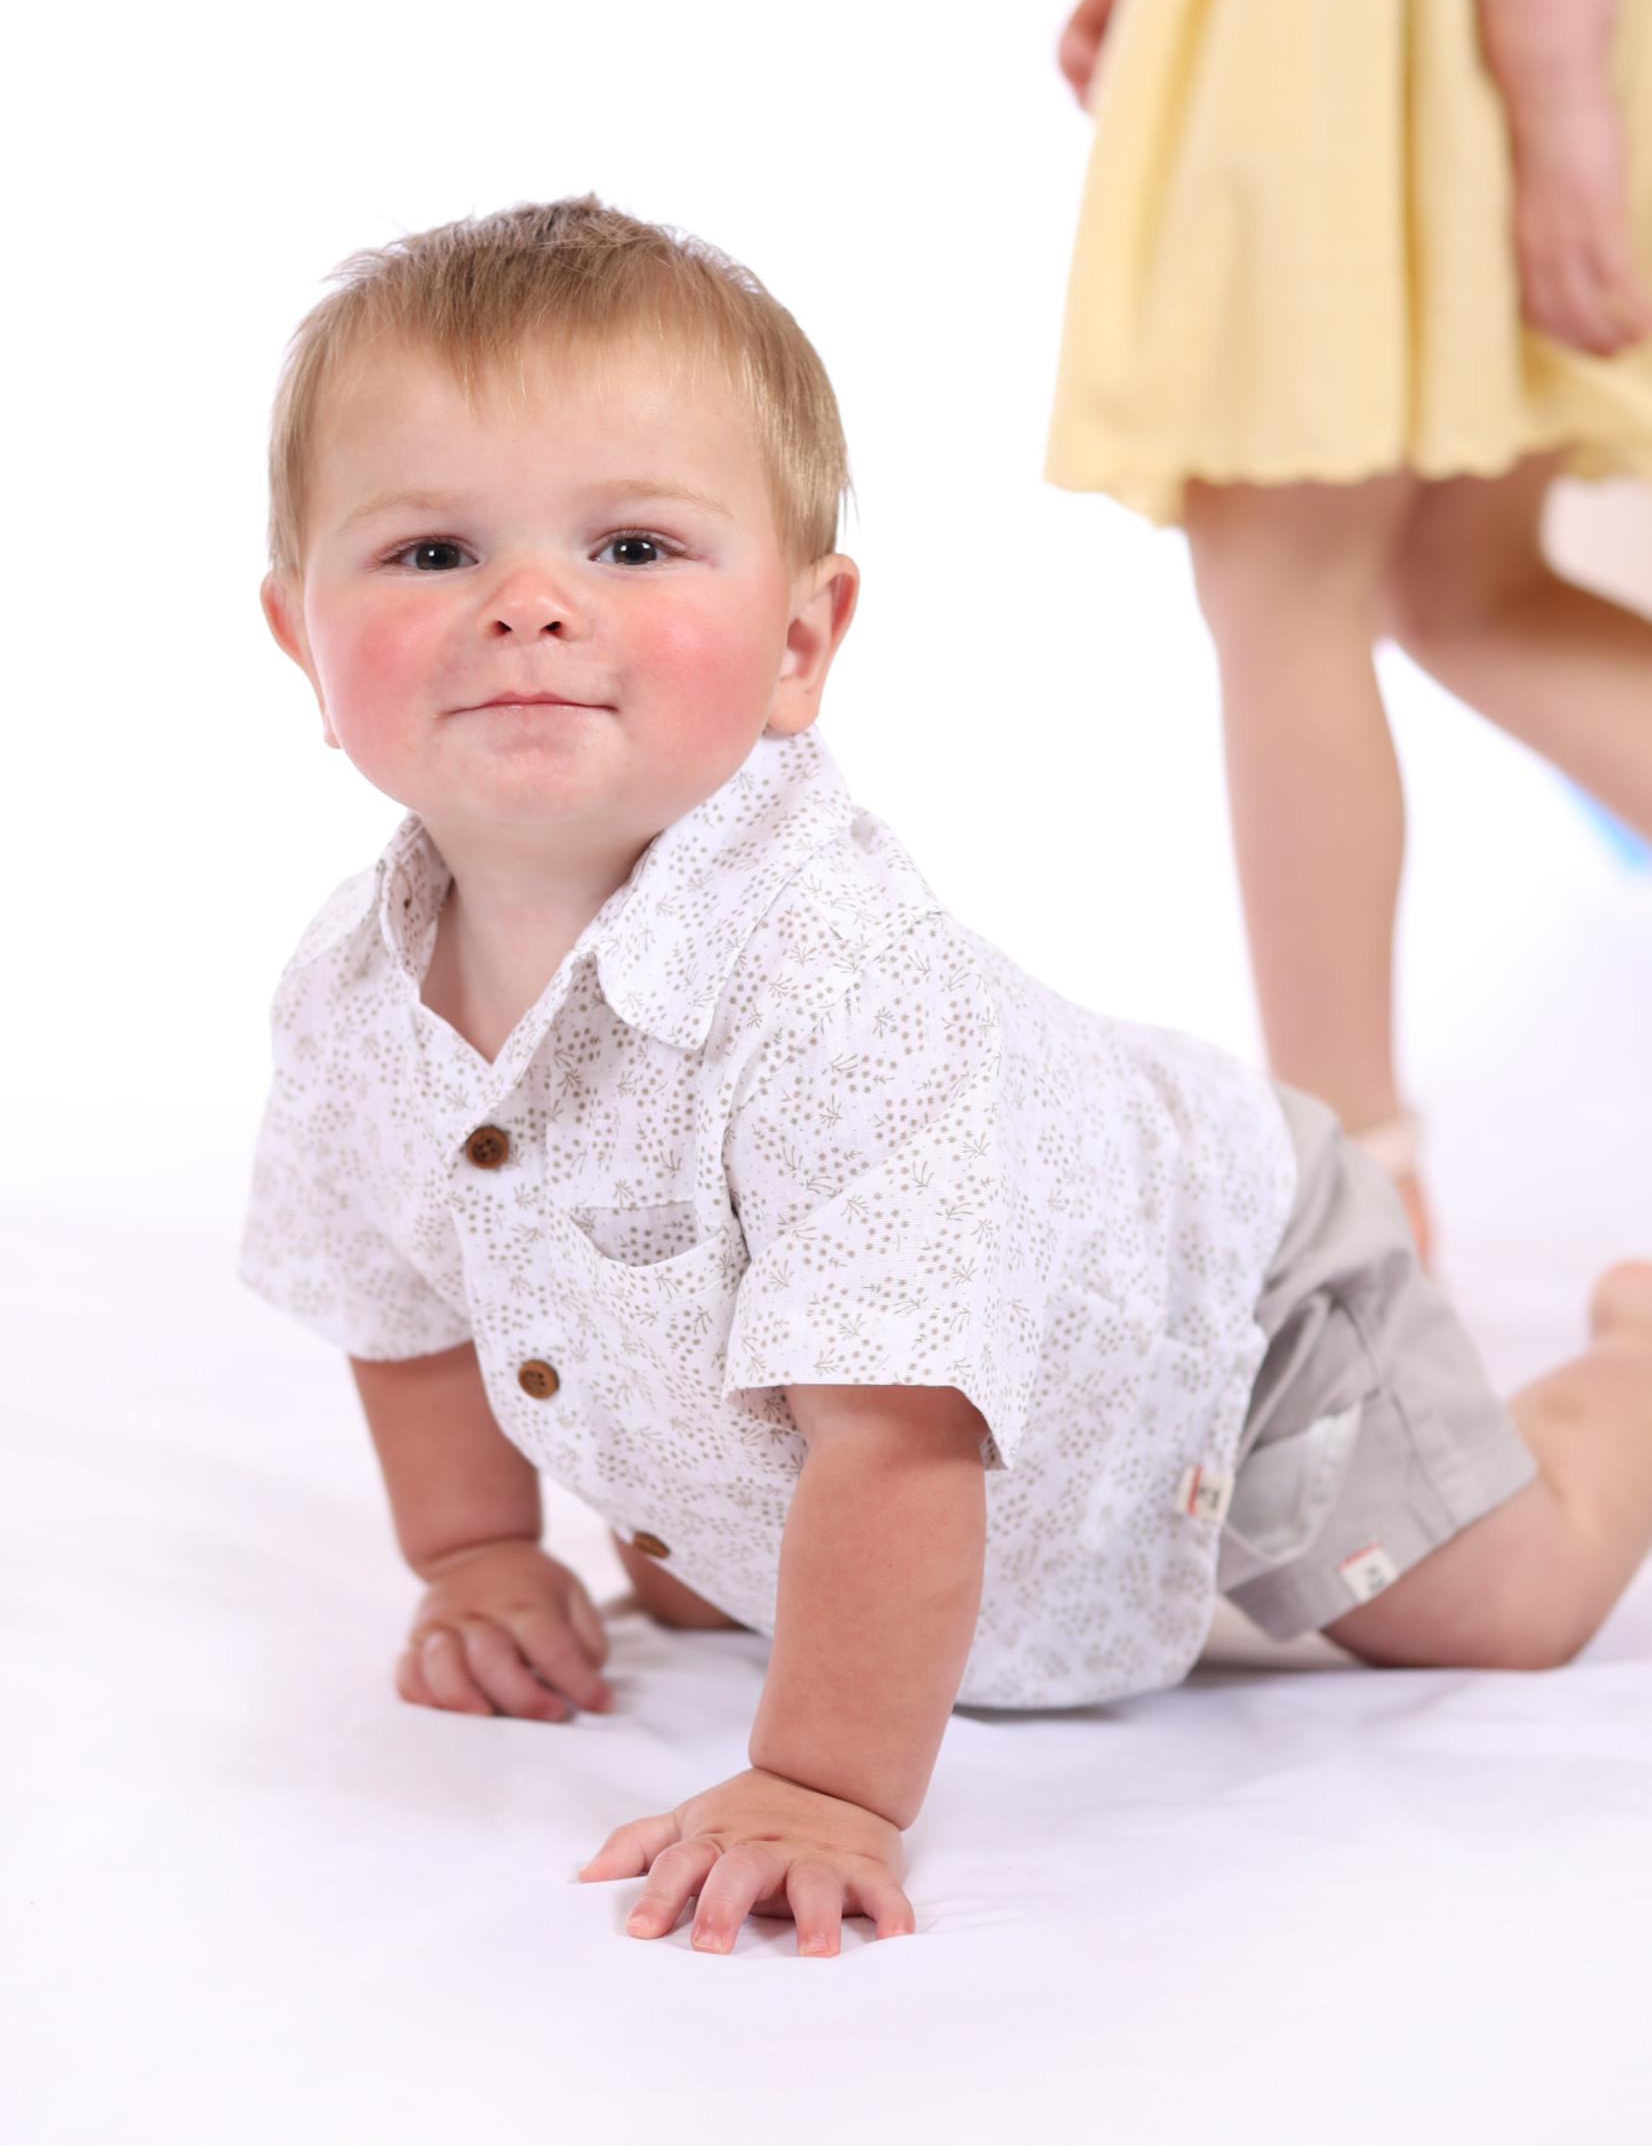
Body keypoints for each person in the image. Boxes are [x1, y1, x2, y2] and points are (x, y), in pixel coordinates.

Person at [245, 198, 1652, 1959]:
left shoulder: (841, 988)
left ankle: (1631, 1366)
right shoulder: (349, 993)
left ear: (800, 643)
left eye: (632, 548)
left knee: (1504, 1603)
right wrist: (474, 1552)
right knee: (701, 1559)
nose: (529, 606)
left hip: (1222, 1312)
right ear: (303, 637)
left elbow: (901, 1440)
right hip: (849, 1452)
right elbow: (401, 1291)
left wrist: (824, 1781)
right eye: (433, 554)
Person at [1048, 0, 1652, 1260]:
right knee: (1459, 582)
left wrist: (1566, 116)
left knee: (1286, 591)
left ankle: (1350, 1192)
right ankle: (1355, 1176)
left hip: (1431, 9)